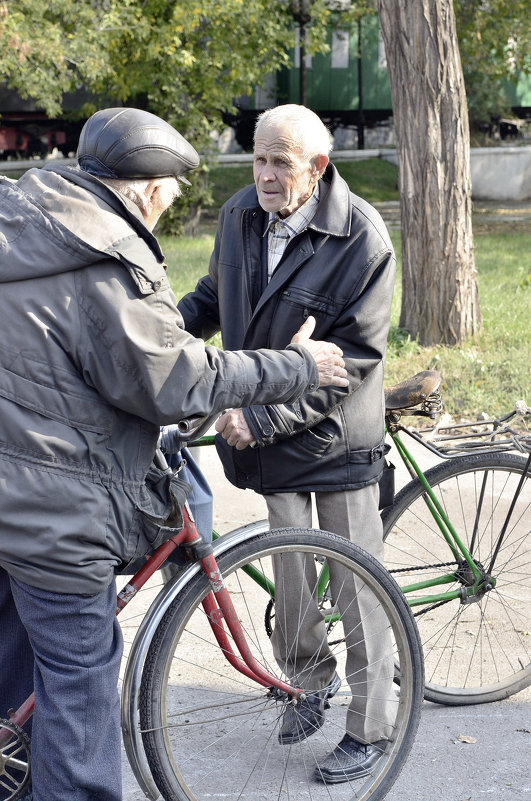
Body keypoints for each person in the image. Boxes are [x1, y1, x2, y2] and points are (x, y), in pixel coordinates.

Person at [0, 106, 348, 801]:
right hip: (52, 515)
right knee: (80, 682)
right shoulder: (104, 258)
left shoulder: (24, 222)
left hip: (12, 492)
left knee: (16, 664)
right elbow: (179, 381)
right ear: (152, 191)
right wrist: (297, 365)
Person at [178, 103, 397, 784]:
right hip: (268, 438)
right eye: (258, 159)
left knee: (360, 588)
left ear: (318, 168)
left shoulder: (360, 236)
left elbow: (353, 359)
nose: (265, 176)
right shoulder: (240, 213)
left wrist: (262, 417)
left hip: (335, 438)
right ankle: (309, 680)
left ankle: (372, 726)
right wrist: (162, 340)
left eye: (281, 163)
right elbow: (215, 295)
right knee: (292, 583)